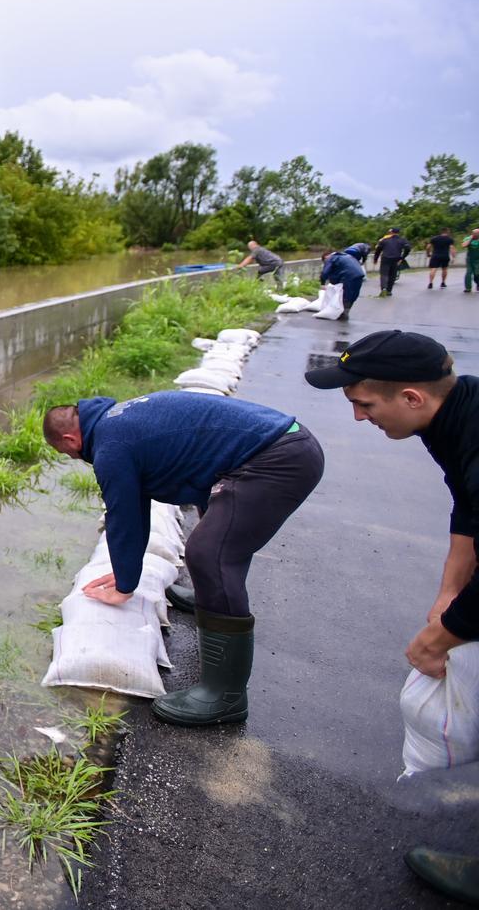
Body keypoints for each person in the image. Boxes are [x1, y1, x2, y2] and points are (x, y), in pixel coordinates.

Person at [304, 330, 479, 904]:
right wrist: (450, 591)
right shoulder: (451, 418)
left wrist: (440, 636)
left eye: (363, 404)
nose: (357, 418)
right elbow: (468, 506)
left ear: (410, 397)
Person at [42, 392, 325, 726]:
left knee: (210, 555)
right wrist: (126, 572)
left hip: (277, 458)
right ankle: (208, 597)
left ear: (70, 439)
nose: (75, 457)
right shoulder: (116, 420)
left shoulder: (109, 446)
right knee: (218, 528)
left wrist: (125, 584)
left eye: (67, 453)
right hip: (282, 443)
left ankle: (225, 696)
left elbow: (125, 515)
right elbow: (139, 501)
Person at [320, 247, 366, 320]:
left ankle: (343, 314)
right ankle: (345, 311)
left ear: (326, 257)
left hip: (348, 276)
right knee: (353, 294)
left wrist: (322, 283)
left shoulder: (331, 258)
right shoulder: (346, 256)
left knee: (345, 294)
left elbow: (325, 272)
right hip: (359, 275)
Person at [372, 227, 413, 297]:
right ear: (398, 233)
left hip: (385, 258)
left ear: (391, 232)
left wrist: (375, 259)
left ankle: (384, 288)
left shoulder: (384, 240)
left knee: (384, 274)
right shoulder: (402, 240)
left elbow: (378, 249)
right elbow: (408, 248)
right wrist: (402, 257)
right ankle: (389, 291)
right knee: (392, 275)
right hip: (396, 259)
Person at [463, 228, 479, 294]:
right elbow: (464, 245)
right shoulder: (468, 238)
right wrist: (471, 239)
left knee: (477, 273)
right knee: (468, 273)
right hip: (470, 258)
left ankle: (478, 284)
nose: (475, 235)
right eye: (474, 233)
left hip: (478, 259)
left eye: (476, 234)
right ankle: (468, 288)